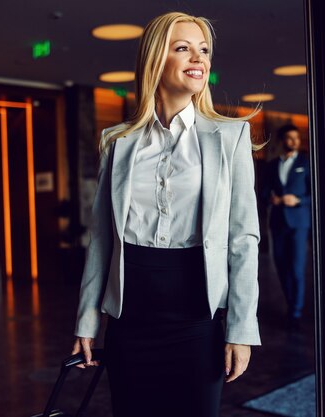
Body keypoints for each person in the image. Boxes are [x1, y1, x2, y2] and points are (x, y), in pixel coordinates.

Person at [71, 11, 261, 417]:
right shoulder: (116, 141)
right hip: (130, 321)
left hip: (196, 319)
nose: (199, 58)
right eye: (183, 48)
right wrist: (87, 318)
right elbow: (102, 238)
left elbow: (243, 238)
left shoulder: (231, 136)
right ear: (156, 59)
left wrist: (242, 329)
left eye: (204, 50)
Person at [262, 124, 311, 326]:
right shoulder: (272, 165)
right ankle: (290, 303)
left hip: (299, 222)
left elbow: (314, 193)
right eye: (290, 138)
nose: (294, 142)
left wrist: (298, 200)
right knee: (281, 266)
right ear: (282, 141)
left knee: (296, 268)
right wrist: (271, 199)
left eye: (297, 138)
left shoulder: (306, 163)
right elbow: (263, 192)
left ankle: (296, 311)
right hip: (278, 221)